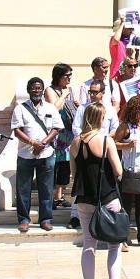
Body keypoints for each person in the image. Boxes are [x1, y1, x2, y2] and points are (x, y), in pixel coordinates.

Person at [70, 103, 125, 279]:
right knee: (114, 246)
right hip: (107, 197)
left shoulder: (75, 143)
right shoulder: (105, 141)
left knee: (88, 245)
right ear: (100, 119)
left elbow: (74, 174)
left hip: (85, 199)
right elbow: (118, 171)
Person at [12, 77, 64, 233]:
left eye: (39, 88)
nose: (36, 91)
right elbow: (17, 131)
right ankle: (23, 220)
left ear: (43, 90)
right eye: (33, 88)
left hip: (46, 154)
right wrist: (32, 143)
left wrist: (43, 143)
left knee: (46, 189)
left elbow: (56, 128)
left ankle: (45, 219)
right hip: (25, 154)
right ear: (28, 90)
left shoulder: (50, 108)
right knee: (23, 189)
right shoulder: (20, 109)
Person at [114, 94, 140, 249]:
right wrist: (127, 145)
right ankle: (122, 237)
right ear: (138, 108)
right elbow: (114, 144)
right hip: (130, 171)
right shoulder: (125, 127)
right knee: (126, 206)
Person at [46, 63, 80, 227]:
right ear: (58, 76)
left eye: (70, 76)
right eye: (66, 75)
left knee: (65, 166)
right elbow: (54, 108)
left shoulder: (70, 90)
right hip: (56, 135)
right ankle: (52, 197)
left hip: (69, 134)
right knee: (55, 166)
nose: (69, 78)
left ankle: (59, 196)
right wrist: (64, 96)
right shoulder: (50, 90)